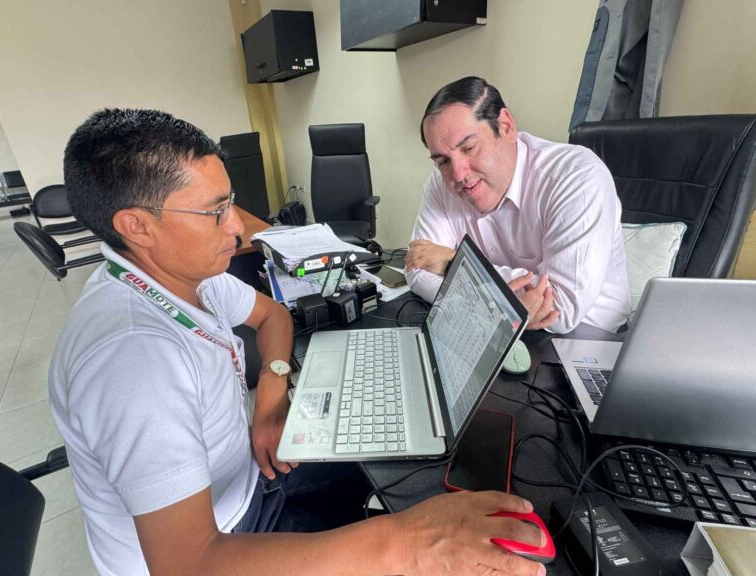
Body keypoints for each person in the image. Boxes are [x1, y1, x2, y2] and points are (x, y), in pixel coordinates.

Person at [49, 108, 547, 576]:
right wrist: (407, 543)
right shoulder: (134, 363)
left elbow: (273, 316)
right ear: (137, 226)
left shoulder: (181, 275)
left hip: (247, 477)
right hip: (225, 541)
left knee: (413, 468)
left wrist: (270, 396)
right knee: (416, 532)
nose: (238, 227)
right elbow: (187, 564)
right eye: (215, 212)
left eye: (230, 203)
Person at [405, 76, 630, 333]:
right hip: (493, 330)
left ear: (506, 126)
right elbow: (417, 269)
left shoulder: (577, 177)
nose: (458, 174)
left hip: (590, 338)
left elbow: (561, 310)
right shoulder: (440, 183)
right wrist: (501, 311)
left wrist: (453, 264)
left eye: (469, 148)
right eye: (442, 161)